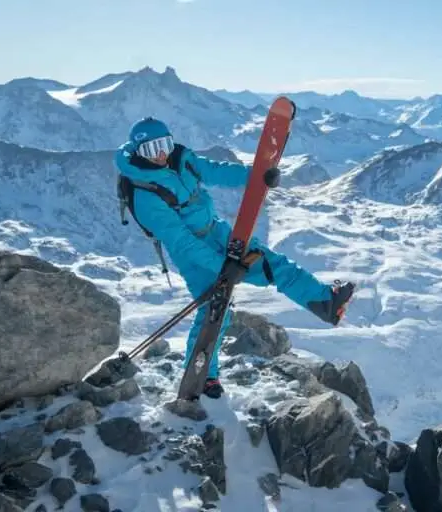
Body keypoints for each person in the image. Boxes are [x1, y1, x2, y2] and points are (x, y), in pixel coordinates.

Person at [114, 117, 356, 399]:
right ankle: (204, 376)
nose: (159, 153)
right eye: (150, 149)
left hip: (218, 231)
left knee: (271, 263)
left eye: (164, 144)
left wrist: (255, 176)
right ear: (138, 152)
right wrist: (225, 267)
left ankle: (327, 302)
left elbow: (216, 171)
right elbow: (181, 241)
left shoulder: (181, 159)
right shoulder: (143, 192)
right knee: (215, 308)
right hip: (191, 253)